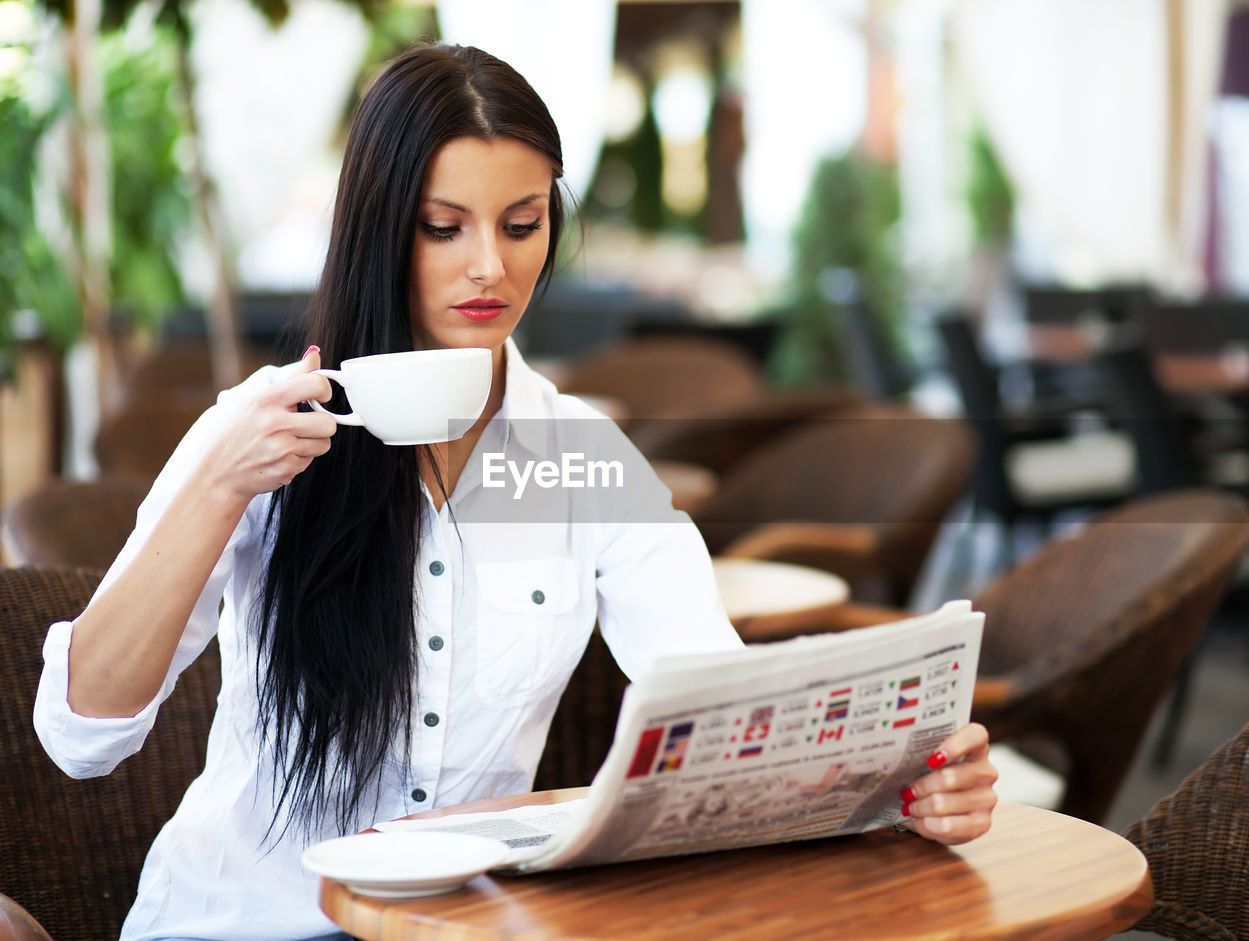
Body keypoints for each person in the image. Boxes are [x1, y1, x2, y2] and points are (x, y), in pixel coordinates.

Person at [33, 42, 997, 940]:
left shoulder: (580, 460)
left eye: (522, 224)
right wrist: (217, 487)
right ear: (379, 232)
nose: (489, 267)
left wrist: (908, 787)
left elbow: (722, 710)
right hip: (243, 923)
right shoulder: (265, 434)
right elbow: (79, 736)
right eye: (443, 229)